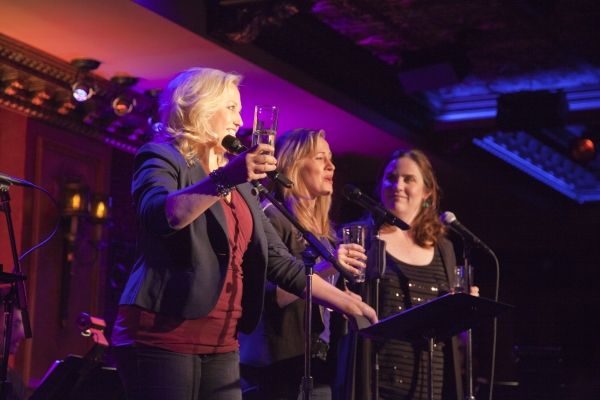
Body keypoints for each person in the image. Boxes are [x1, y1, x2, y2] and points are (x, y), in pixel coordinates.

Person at [110, 67, 377, 400]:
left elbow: (281, 262)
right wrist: (225, 179)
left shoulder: (242, 184)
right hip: (161, 332)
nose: (240, 120)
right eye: (231, 107)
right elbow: (160, 216)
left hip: (223, 341)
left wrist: (348, 303)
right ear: (201, 107)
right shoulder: (163, 156)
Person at [239, 128, 367, 399]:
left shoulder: (324, 233)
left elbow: (314, 297)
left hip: (315, 363)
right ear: (293, 165)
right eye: (321, 158)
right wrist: (328, 267)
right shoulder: (272, 218)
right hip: (274, 366)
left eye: (331, 158)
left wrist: (342, 299)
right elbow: (265, 297)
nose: (331, 165)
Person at [339, 149, 478, 400]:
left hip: (430, 382)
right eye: (391, 177)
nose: (397, 185)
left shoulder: (443, 247)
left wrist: (464, 309)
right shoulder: (359, 236)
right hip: (375, 382)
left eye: (408, 179)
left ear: (427, 191)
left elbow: (447, 325)